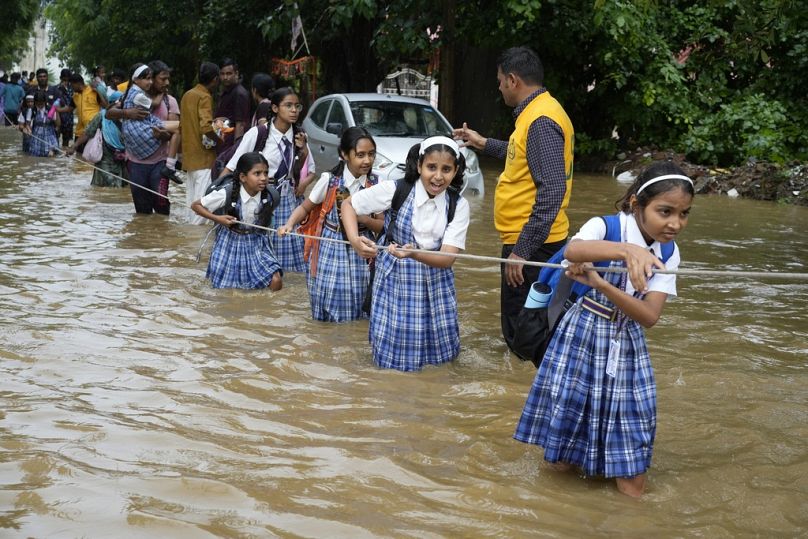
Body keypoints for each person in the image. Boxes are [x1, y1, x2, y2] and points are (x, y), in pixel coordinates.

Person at [514, 162, 694, 497]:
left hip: (627, 341)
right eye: (665, 211)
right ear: (636, 205)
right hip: (580, 334)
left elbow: (649, 316)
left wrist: (600, 282)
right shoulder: (606, 227)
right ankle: (552, 509)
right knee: (564, 444)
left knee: (634, 436)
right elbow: (573, 250)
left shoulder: (669, 252)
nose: (674, 223)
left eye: (683, 214)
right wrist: (628, 251)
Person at [453, 46, 574, 359]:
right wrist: (482, 143)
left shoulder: (540, 121)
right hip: (533, 240)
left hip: (533, 244)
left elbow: (551, 191)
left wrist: (522, 250)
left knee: (524, 334)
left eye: (499, 81)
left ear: (512, 80)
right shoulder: (540, 113)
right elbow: (522, 154)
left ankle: (519, 396)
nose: (498, 87)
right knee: (529, 327)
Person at [340, 136, 470, 371]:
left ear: (456, 171)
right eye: (431, 167)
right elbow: (348, 205)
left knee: (440, 356)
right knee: (394, 353)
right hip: (395, 280)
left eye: (446, 169)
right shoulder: (396, 190)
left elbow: (448, 258)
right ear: (419, 166)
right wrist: (354, 240)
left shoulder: (458, 205)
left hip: (437, 281)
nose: (438, 176)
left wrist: (414, 254)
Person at [278, 126, 383, 322]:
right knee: (330, 296)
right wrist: (289, 224)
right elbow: (305, 208)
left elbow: (381, 225)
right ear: (344, 154)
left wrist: (361, 219)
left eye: (371, 154)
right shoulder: (329, 181)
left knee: (361, 297)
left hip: (363, 248)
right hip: (331, 246)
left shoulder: (376, 184)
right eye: (360, 155)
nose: (367, 160)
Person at [222, 87, 315, 272]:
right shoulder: (258, 134)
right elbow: (232, 167)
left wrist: (302, 151)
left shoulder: (299, 136)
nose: (294, 110)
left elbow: (310, 168)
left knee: (288, 251)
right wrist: (219, 198)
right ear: (274, 108)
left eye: (297, 106)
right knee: (254, 246)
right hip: (259, 196)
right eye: (288, 105)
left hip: (286, 200)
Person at [191, 152, 283, 291]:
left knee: (276, 280)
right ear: (243, 177)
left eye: (266, 173)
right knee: (227, 289)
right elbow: (196, 206)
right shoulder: (226, 193)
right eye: (257, 173)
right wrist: (218, 219)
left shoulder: (270, 196)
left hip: (257, 244)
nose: (264, 178)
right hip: (229, 243)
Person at [120, 63, 180, 214]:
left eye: (168, 79)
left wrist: (162, 136)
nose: (167, 83)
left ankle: (161, 235)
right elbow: (109, 113)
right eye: (162, 79)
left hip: (160, 164)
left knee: (161, 206)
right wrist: (128, 113)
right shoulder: (135, 97)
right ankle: (146, 237)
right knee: (141, 211)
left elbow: (174, 133)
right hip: (136, 163)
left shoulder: (170, 101)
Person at [181, 61, 221, 225]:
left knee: (191, 202)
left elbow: (182, 126)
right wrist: (219, 140)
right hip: (204, 158)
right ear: (215, 79)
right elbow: (206, 127)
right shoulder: (204, 96)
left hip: (189, 158)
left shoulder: (187, 95)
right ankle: (196, 243)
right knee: (202, 205)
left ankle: (190, 238)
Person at [66, 91, 127, 187]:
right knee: (109, 187)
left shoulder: (127, 117)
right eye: (118, 105)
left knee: (123, 187)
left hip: (122, 160)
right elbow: (88, 132)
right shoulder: (102, 116)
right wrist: (74, 146)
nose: (120, 107)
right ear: (111, 104)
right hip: (105, 158)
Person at [214, 58, 250, 154]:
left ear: (236, 74)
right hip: (222, 142)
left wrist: (236, 150)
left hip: (230, 146)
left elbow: (240, 124)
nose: (225, 77)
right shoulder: (226, 92)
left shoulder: (239, 93)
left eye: (229, 74)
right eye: (222, 74)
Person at [65, 73, 106, 144]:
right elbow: (69, 108)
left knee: (91, 154)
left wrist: (98, 91)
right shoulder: (75, 96)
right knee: (78, 154)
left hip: (92, 131)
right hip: (79, 132)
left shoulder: (93, 91)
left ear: (78, 83)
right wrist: (57, 109)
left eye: (72, 85)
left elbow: (105, 105)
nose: (71, 88)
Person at [26, 90, 61, 157]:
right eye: (37, 104)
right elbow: (28, 124)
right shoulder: (32, 110)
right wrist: (29, 130)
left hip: (49, 134)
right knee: (36, 156)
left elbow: (58, 124)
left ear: (45, 102)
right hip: (36, 136)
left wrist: (57, 111)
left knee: (51, 155)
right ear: (35, 102)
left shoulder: (50, 109)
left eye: (41, 104)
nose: (40, 106)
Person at [54, 69, 74, 146]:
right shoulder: (56, 88)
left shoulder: (72, 89)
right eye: (64, 79)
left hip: (69, 119)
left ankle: (63, 157)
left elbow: (73, 102)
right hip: (58, 117)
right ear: (61, 78)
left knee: (66, 142)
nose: (66, 81)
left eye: (67, 79)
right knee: (55, 139)